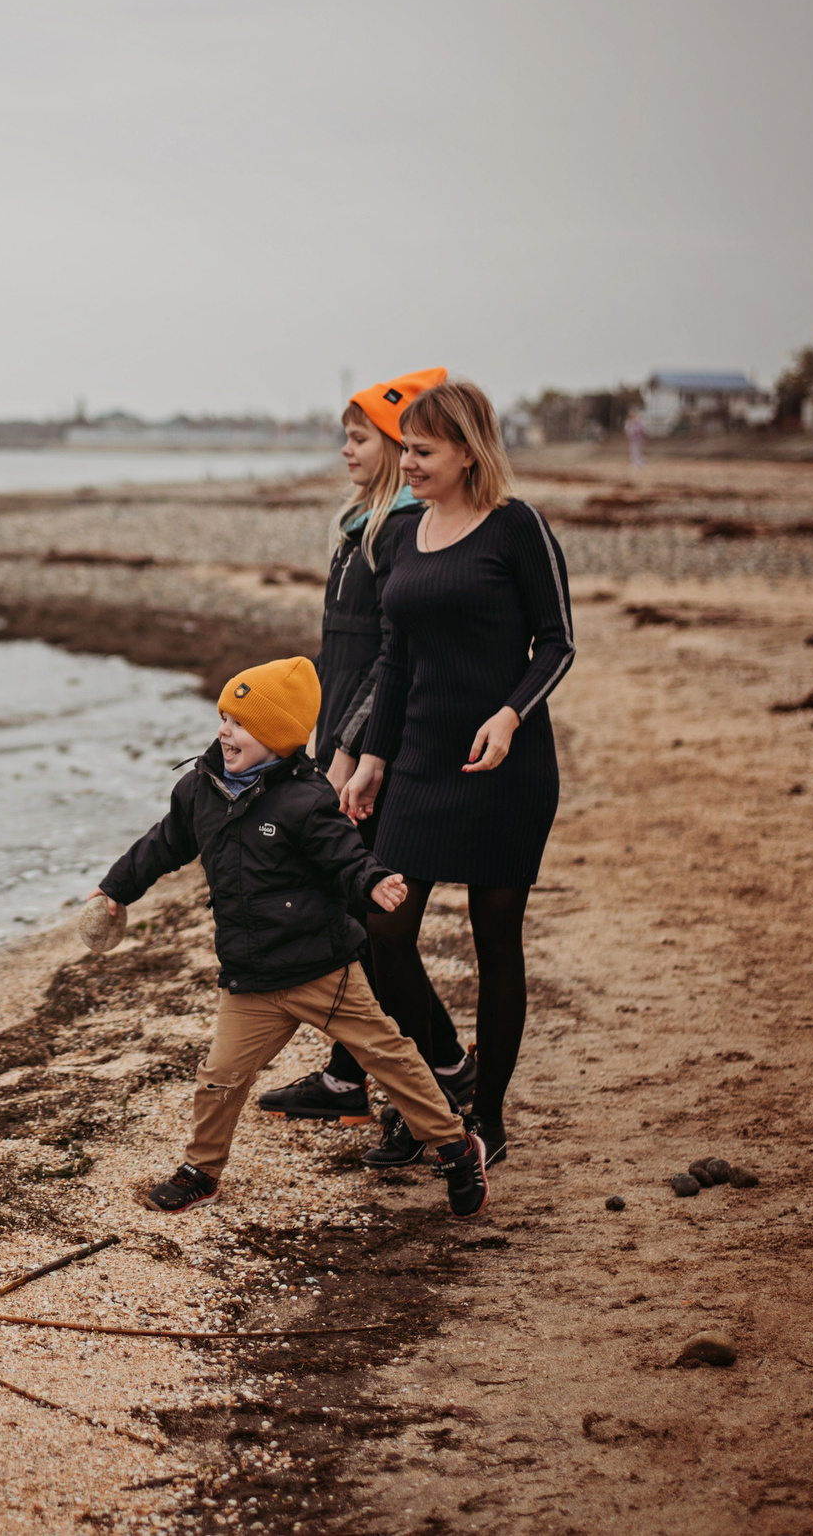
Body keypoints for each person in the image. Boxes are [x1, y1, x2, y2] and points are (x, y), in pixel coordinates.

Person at [81, 656, 488, 1220]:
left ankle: (455, 1146)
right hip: (250, 977)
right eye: (223, 717)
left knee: (389, 1056)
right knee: (220, 1077)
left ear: (277, 736)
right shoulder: (199, 790)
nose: (225, 730)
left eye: (241, 722)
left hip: (323, 970)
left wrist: (372, 881)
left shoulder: (305, 799)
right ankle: (202, 1169)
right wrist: (115, 888)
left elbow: (345, 853)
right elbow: (164, 843)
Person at [341, 379, 574, 1171]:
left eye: (422, 450)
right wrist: (372, 760)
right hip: (417, 763)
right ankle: (440, 1085)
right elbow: (397, 658)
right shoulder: (405, 535)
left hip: (505, 768)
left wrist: (510, 715)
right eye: (404, 447)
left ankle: (491, 1117)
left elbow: (558, 643)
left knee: (495, 940)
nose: (406, 462)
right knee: (386, 930)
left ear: (469, 453)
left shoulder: (517, 528)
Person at [255, 369, 475, 1128]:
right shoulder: (362, 526)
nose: (346, 449)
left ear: (394, 447)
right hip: (342, 735)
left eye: (359, 438)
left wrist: (352, 750)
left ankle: (446, 1063)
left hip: (379, 746)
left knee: (368, 916)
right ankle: (351, 1079)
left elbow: (393, 655)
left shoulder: (400, 530)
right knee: (354, 911)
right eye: (345, 436)